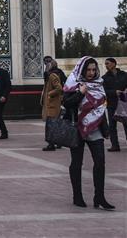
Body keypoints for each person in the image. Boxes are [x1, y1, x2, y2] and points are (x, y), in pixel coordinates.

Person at [62, 56, 115, 210]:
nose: (91, 73)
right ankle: (77, 195)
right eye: (88, 70)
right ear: (82, 69)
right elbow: (67, 103)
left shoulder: (99, 84)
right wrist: (80, 93)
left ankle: (99, 197)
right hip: (77, 127)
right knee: (77, 162)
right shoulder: (73, 82)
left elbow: (102, 106)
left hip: (96, 127)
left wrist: (106, 129)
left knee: (100, 162)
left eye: (93, 69)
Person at [102, 57, 127, 152]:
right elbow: (104, 91)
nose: (106, 65)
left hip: (123, 102)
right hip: (112, 103)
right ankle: (115, 145)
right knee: (112, 126)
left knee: (126, 123)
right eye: (105, 64)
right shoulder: (104, 78)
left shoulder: (124, 75)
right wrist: (114, 92)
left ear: (113, 64)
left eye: (107, 63)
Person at [41, 57, 64, 150]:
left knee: (51, 124)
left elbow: (59, 88)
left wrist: (49, 94)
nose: (46, 66)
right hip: (51, 104)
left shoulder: (52, 75)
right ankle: (57, 142)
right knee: (54, 123)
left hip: (52, 104)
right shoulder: (49, 75)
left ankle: (51, 144)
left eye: (48, 64)